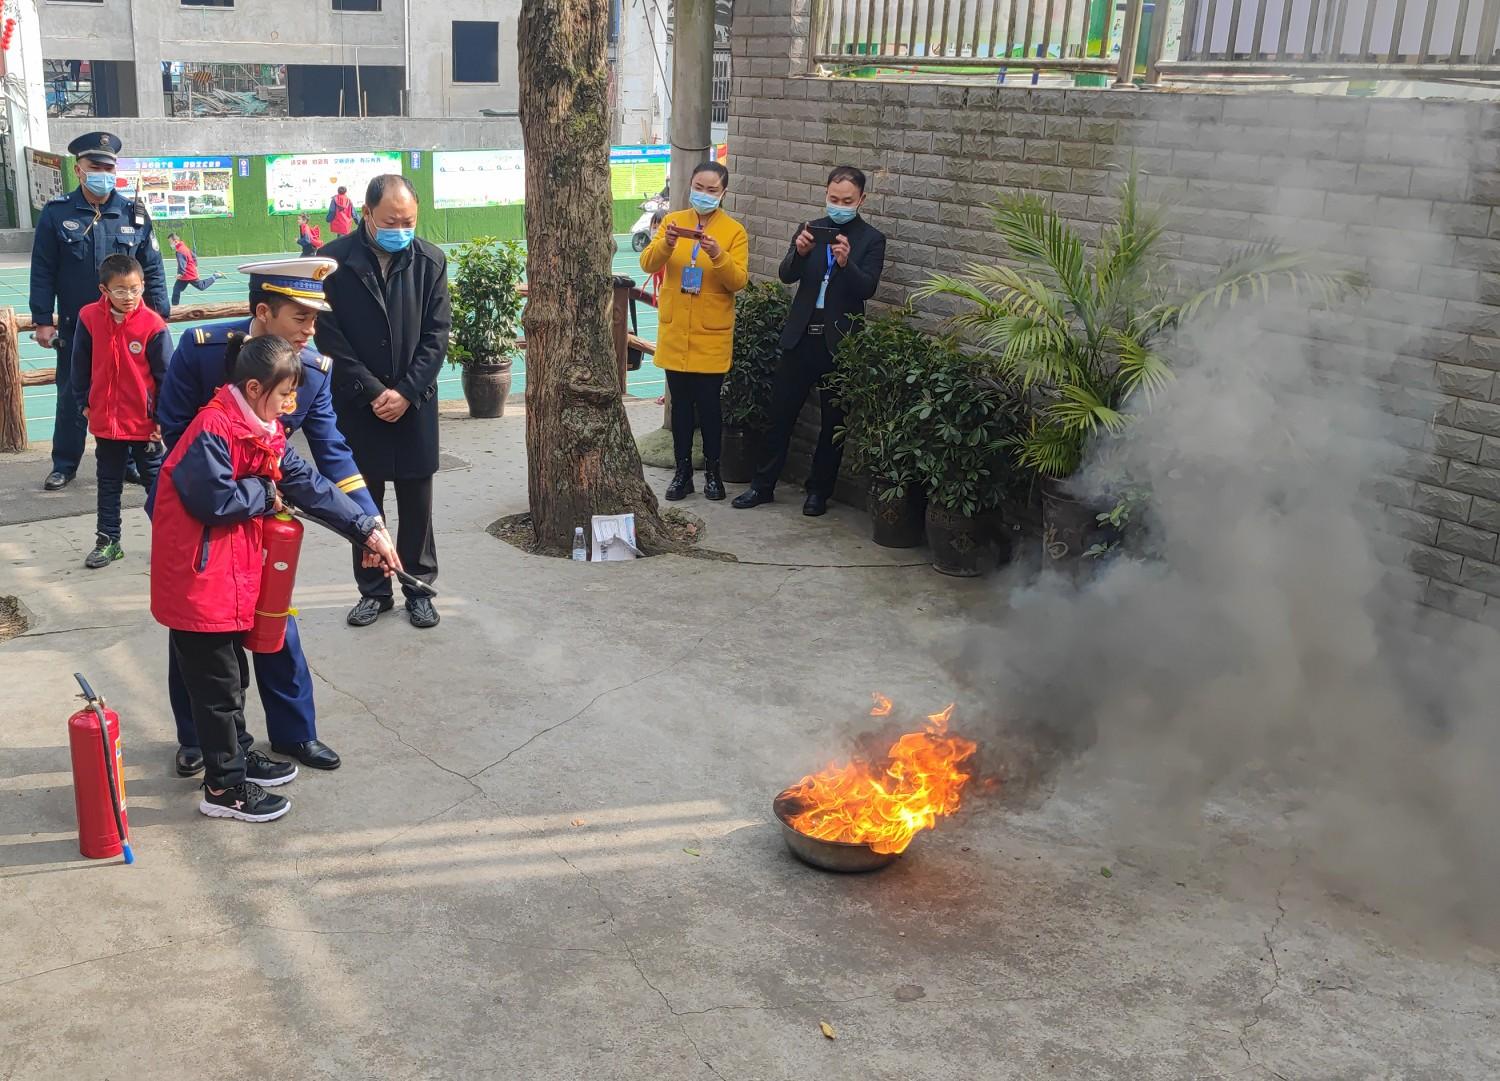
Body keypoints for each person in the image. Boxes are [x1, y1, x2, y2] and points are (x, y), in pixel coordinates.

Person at [149, 335, 401, 823]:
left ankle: (238, 756)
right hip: (199, 583)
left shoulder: (260, 428)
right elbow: (215, 501)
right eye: (284, 394)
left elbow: (307, 481)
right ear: (253, 386)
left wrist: (366, 529)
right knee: (218, 689)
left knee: (234, 677)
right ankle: (224, 789)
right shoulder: (213, 429)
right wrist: (266, 493)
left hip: (227, 577)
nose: (290, 405)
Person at [316, 174, 450, 629]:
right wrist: (373, 391)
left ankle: (418, 589)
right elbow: (328, 336)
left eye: (409, 220)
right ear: (366, 215)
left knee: (417, 505)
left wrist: (407, 391)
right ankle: (373, 591)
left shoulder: (430, 261)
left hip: (414, 403)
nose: (401, 228)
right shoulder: (332, 263)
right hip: (359, 405)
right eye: (391, 220)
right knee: (362, 503)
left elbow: (437, 335)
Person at [733, 165, 887, 517]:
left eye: (847, 200)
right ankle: (762, 485)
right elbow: (786, 275)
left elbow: (867, 289)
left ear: (861, 199)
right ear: (826, 194)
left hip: (840, 341)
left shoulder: (871, 239)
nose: (839, 205)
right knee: (780, 415)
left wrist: (847, 263)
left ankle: (818, 492)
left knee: (833, 424)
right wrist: (799, 252)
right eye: (833, 198)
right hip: (801, 334)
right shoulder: (810, 229)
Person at [30, 131, 169, 492]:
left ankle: (127, 464)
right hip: (79, 327)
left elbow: (151, 267)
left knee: (131, 394)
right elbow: (43, 269)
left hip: (128, 327)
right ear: (79, 169)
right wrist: (43, 320)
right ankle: (65, 464)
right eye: (96, 167)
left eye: (109, 167)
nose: (104, 173)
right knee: (71, 394)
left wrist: (160, 315)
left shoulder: (132, 214)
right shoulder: (57, 214)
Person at [638, 162, 749, 502]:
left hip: (710, 335)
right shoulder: (673, 221)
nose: (704, 194)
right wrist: (667, 244)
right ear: (689, 186)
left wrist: (718, 255)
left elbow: (737, 281)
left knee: (709, 407)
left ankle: (713, 473)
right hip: (676, 332)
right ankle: (682, 472)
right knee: (680, 408)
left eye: (712, 190)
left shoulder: (733, 232)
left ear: (724, 193)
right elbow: (648, 263)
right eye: (699, 187)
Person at [71, 254, 170, 569]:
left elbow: (166, 376)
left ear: (143, 286)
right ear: (104, 289)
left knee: (157, 484)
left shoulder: (153, 324)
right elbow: (79, 366)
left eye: (135, 289)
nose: (129, 297)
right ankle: (108, 540)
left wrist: (161, 420)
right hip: (106, 422)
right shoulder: (89, 318)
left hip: (145, 424)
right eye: (120, 290)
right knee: (108, 482)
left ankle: (170, 542)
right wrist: (84, 404)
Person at [168, 232, 225, 306]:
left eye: (170, 242)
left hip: (189, 274)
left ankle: (215, 276)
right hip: (185, 276)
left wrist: (180, 274)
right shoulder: (183, 247)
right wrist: (195, 267)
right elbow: (193, 256)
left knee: (201, 286)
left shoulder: (180, 251)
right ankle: (175, 307)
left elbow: (182, 264)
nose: (170, 244)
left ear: (175, 241)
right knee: (176, 289)